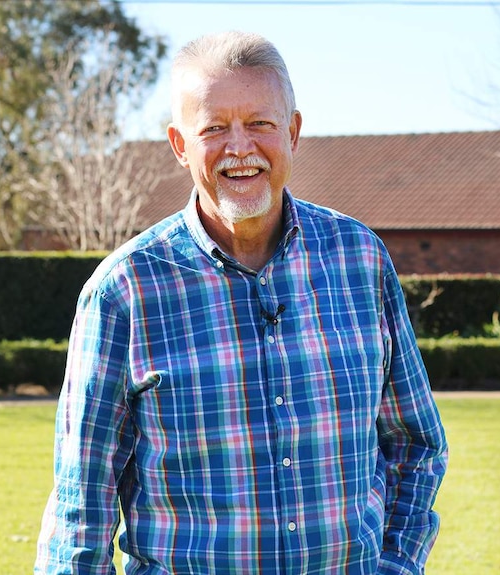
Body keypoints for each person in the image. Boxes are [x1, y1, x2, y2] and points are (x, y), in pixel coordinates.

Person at [35, 31, 448, 575]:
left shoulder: (359, 260)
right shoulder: (124, 291)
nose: (240, 147)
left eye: (260, 123)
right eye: (213, 128)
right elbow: (79, 510)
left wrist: (397, 565)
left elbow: (416, 444)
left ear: (293, 132)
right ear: (180, 146)